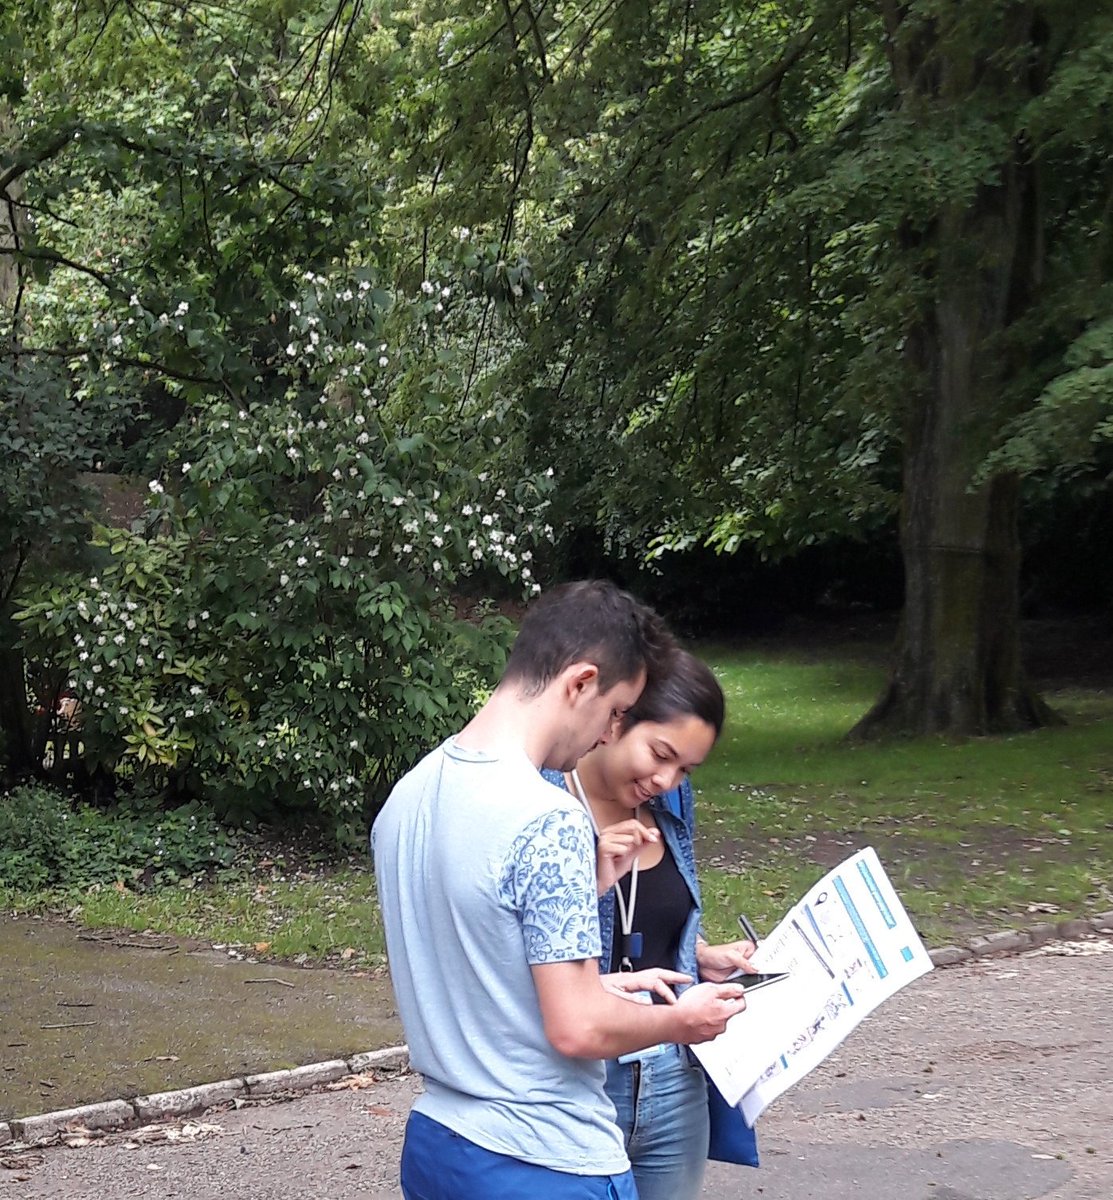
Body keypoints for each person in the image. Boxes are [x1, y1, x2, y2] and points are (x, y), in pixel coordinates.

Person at [371, 580, 748, 1200]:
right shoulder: (547, 818)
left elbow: (480, 971)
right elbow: (576, 1030)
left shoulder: (410, 794)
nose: (607, 733)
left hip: (443, 1145)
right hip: (543, 1161)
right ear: (579, 683)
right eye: (616, 710)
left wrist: (595, 984)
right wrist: (684, 1020)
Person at [542, 649, 757, 1200]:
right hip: (581, 1080)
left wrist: (699, 953)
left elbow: (659, 910)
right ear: (618, 719)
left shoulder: (670, 800)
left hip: (672, 1069)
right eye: (660, 754)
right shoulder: (540, 800)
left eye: (685, 768)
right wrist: (590, 877)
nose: (666, 779)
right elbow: (517, 946)